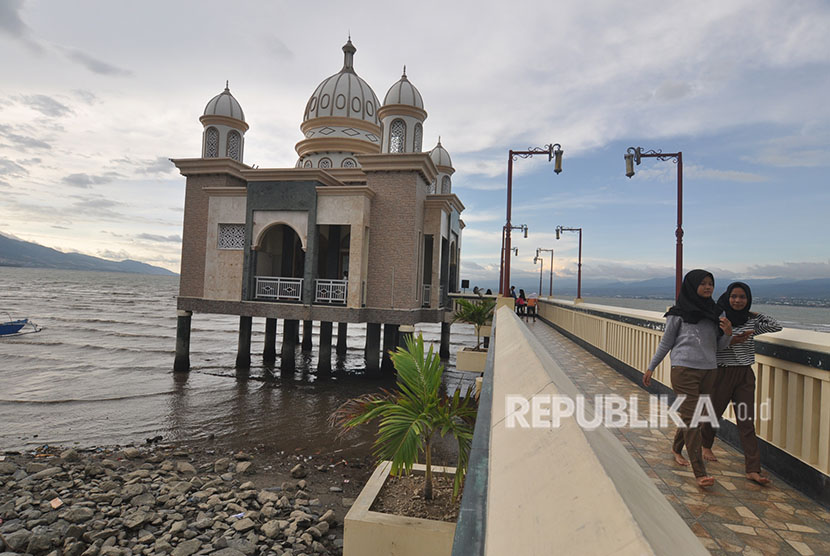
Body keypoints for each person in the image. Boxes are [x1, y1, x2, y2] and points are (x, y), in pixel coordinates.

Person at [643, 269, 732, 488]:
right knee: (692, 418)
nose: (708, 287)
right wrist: (651, 367)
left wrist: (728, 333)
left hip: (709, 370)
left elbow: (718, 347)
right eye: (702, 283)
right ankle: (699, 472)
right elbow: (666, 343)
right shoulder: (678, 313)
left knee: (696, 416)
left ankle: (676, 448)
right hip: (683, 370)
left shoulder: (717, 313)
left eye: (710, 283)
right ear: (692, 286)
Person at [700, 281, 782, 485]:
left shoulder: (750, 322)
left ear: (748, 300)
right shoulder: (719, 319)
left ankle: (753, 469)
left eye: (742, 297)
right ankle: (705, 445)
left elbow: (776, 325)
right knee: (713, 413)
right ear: (727, 297)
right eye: (734, 296)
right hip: (722, 373)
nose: (737, 301)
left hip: (745, 375)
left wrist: (753, 314)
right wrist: (730, 339)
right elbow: (711, 346)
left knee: (746, 421)